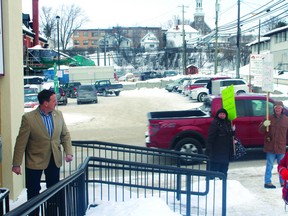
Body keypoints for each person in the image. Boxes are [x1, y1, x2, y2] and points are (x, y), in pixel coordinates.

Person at [12, 89, 73, 215]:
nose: (56, 102)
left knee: (53, 191)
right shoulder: (28, 118)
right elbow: (21, 142)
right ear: (45, 103)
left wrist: (69, 152)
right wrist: (16, 164)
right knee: (33, 192)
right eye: (53, 100)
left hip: (54, 159)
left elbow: (65, 135)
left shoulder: (58, 115)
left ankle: (51, 213)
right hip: (35, 161)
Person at [258, 101, 288, 189]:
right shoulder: (268, 118)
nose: (278, 109)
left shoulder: (286, 120)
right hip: (270, 146)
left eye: (279, 108)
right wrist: (264, 125)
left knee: (282, 165)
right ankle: (267, 182)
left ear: (282, 109)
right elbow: (260, 131)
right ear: (274, 109)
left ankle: (283, 182)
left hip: (281, 146)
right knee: (269, 165)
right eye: (276, 108)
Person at [206, 108, 235, 177]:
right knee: (214, 167)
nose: (222, 115)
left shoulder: (228, 122)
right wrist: (209, 147)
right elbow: (211, 136)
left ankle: (223, 180)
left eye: (223, 114)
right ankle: (212, 180)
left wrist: (233, 132)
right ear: (218, 115)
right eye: (220, 114)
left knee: (224, 168)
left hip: (226, 150)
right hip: (216, 149)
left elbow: (230, 134)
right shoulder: (215, 123)